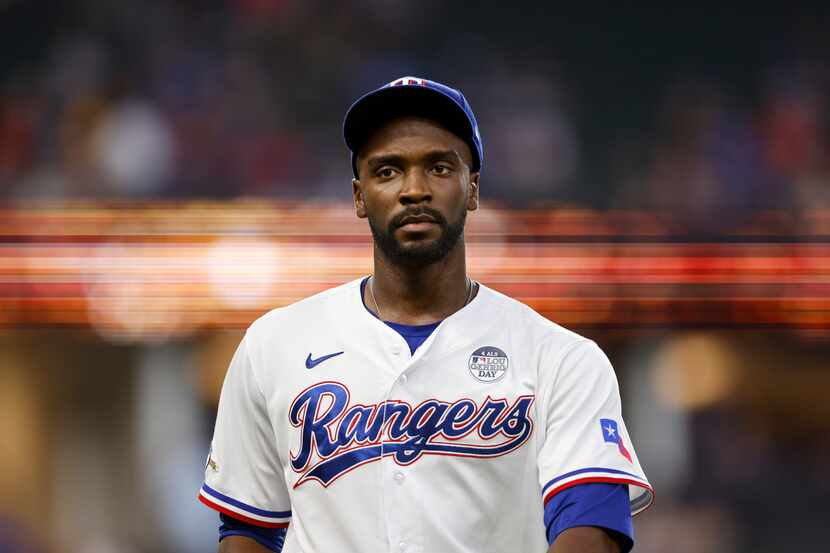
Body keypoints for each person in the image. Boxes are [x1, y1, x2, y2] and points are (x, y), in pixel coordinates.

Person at [198, 76, 653, 553]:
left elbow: (591, 531)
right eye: (388, 171)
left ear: (472, 188)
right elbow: (248, 529)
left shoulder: (561, 359)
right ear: (358, 195)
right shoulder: (275, 345)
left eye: (438, 167)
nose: (414, 189)